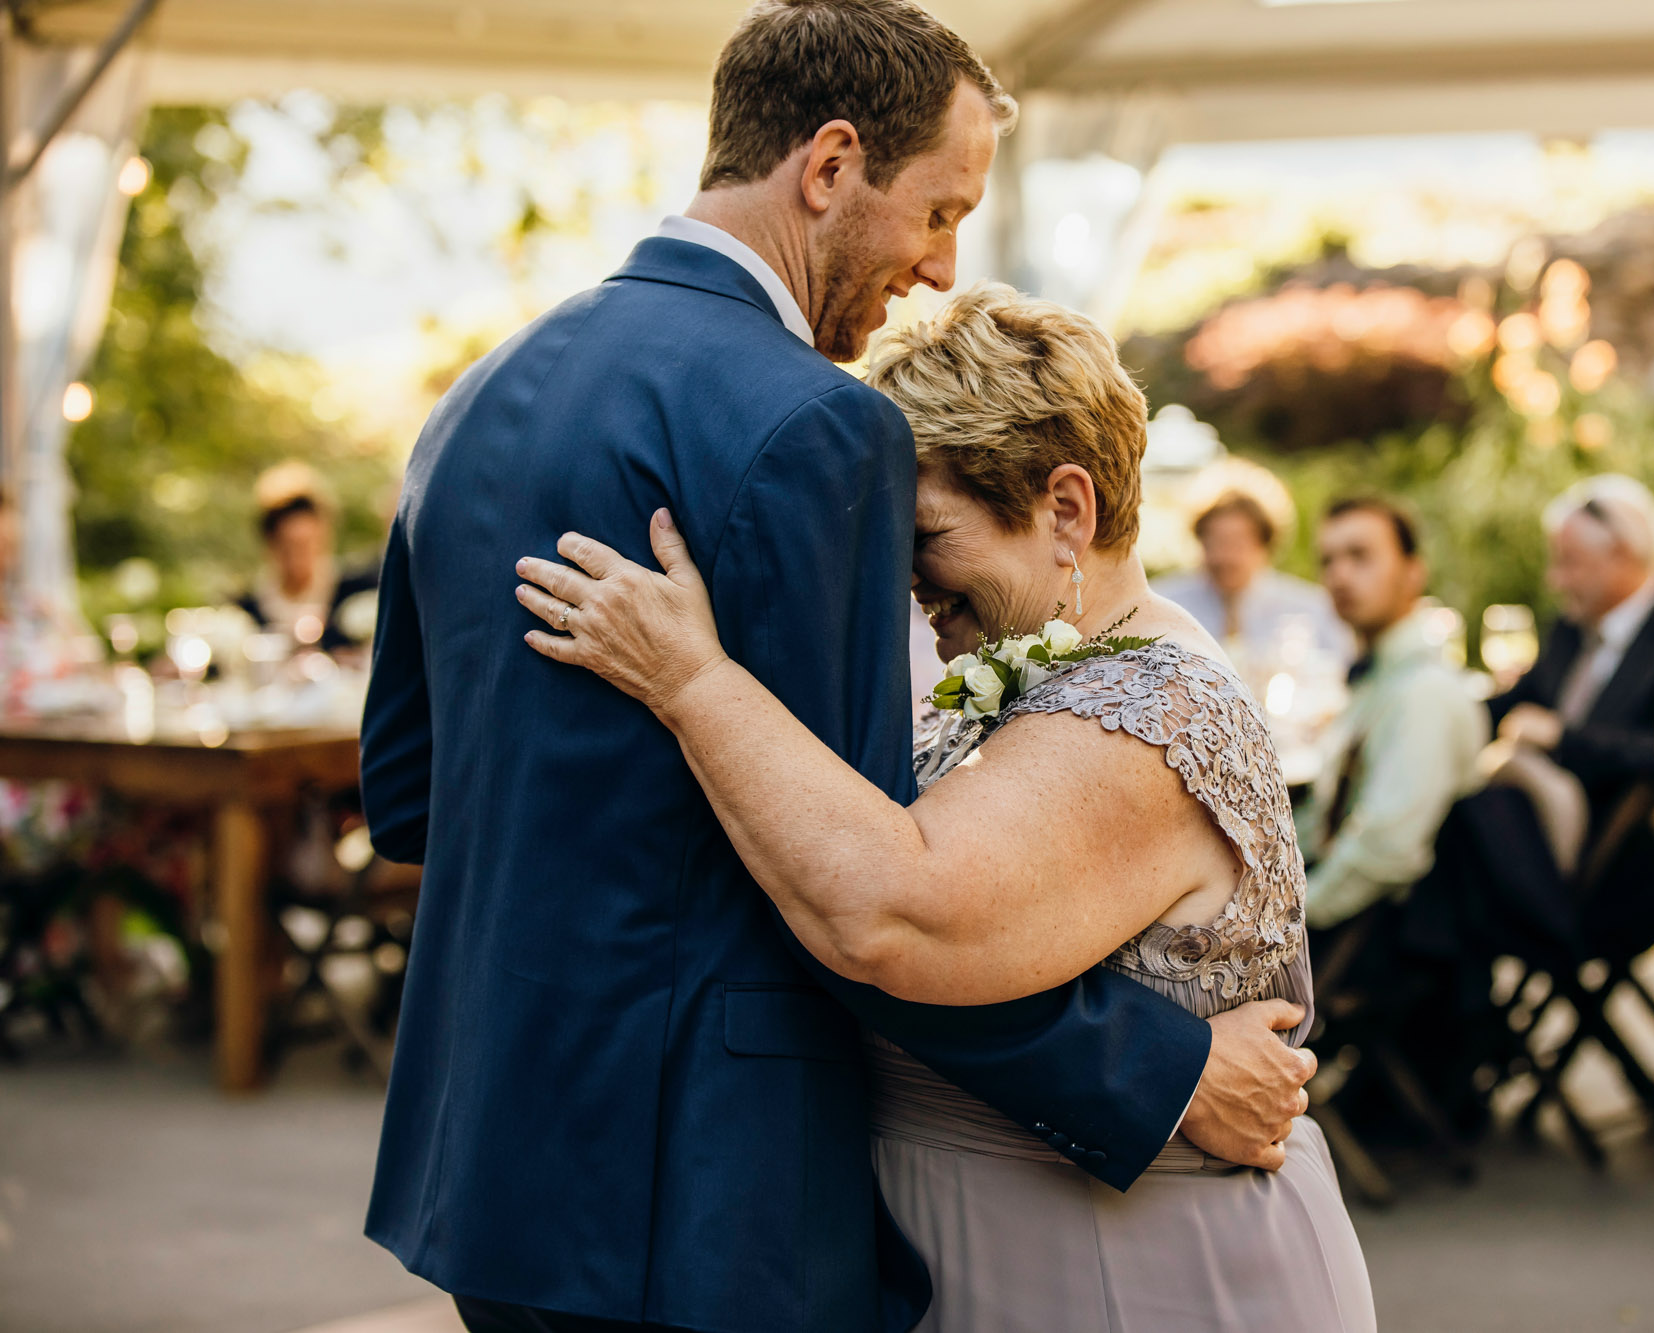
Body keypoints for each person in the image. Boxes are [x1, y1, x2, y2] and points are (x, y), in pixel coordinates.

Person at [360, 7, 1313, 1332]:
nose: (939, 266)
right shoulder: (814, 423)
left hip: (491, 1167)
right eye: (936, 212)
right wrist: (1159, 1072)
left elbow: (410, 797)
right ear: (829, 167)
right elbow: (869, 896)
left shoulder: (472, 401)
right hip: (701, 1191)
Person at [515, 283, 1376, 1332]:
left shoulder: (1147, 709)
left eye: (923, 532)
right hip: (998, 1243)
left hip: (1134, 1272)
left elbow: (893, 910)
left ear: (1065, 510)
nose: (904, 576)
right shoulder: (1045, 676)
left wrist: (692, 681)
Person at [1484, 475, 1654, 951]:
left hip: (1619, 871)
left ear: (1622, 557)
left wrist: (1563, 738)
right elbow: (1512, 704)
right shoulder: (1572, 628)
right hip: (1533, 849)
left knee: (1463, 837)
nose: (1555, 580)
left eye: (1568, 563)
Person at [1298, 498, 1488, 930]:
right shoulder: (1375, 680)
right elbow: (1326, 816)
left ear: (1413, 572)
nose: (1339, 575)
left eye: (1360, 556)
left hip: (1389, 945)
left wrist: (1284, 926)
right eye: (1328, 561)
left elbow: (1386, 852)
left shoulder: (1425, 693)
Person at [1153, 464, 1351, 675]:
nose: (1224, 556)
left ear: (1264, 546)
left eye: (1238, 543)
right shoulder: (1165, 604)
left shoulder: (1312, 608)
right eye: (1214, 542)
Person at [239, 470, 378, 654]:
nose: (300, 556)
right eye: (289, 546)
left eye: (308, 544)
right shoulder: (248, 608)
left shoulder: (355, 591)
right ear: (272, 545)